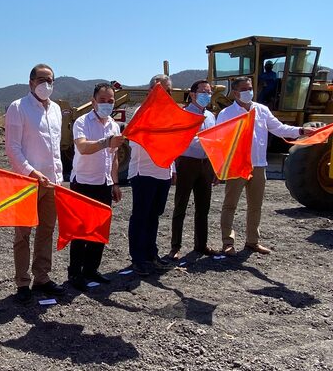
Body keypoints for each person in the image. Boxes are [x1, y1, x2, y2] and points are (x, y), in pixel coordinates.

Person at [217, 76, 314, 256]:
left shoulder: (261, 110)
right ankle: (227, 243)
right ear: (236, 92)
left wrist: (300, 131)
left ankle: (252, 241)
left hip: (259, 165)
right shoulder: (226, 114)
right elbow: (219, 142)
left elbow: (279, 128)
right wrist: (220, 166)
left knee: (256, 205)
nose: (249, 91)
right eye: (245, 89)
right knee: (230, 205)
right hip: (237, 166)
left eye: (250, 88)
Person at [5, 63, 66, 303]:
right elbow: (12, 148)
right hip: (26, 182)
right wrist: (31, 172)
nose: (46, 84)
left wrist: (58, 177)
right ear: (31, 82)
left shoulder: (56, 110)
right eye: (41, 80)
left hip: (52, 182)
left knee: (46, 231)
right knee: (23, 234)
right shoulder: (18, 108)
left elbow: (55, 149)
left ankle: (42, 277)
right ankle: (22, 282)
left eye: (50, 80)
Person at [66, 83, 125, 289]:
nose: (107, 105)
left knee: (99, 230)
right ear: (93, 101)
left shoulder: (114, 125)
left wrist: (115, 182)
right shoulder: (82, 122)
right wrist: (106, 142)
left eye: (110, 101)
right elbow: (82, 147)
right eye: (102, 101)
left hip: (104, 184)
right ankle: (75, 273)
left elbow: (114, 157)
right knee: (80, 232)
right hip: (83, 183)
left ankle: (91, 269)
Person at [128, 74, 177, 276]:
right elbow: (134, 142)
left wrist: (172, 168)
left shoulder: (172, 115)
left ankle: (151, 254)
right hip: (144, 172)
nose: (165, 94)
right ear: (151, 91)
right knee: (140, 216)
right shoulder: (141, 113)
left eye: (168, 91)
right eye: (161, 90)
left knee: (154, 216)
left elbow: (174, 144)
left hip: (163, 173)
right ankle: (137, 258)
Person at [168, 80, 219, 260]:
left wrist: (216, 167)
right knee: (180, 206)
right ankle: (175, 246)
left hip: (205, 164)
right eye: (203, 91)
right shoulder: (183, 114)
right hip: (186, 163)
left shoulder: (212, 116)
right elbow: (180, 141)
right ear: (192, 94)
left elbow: (214, 143)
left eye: (209, 92)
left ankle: (201, 244)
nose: (207, 95)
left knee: (203, 207)